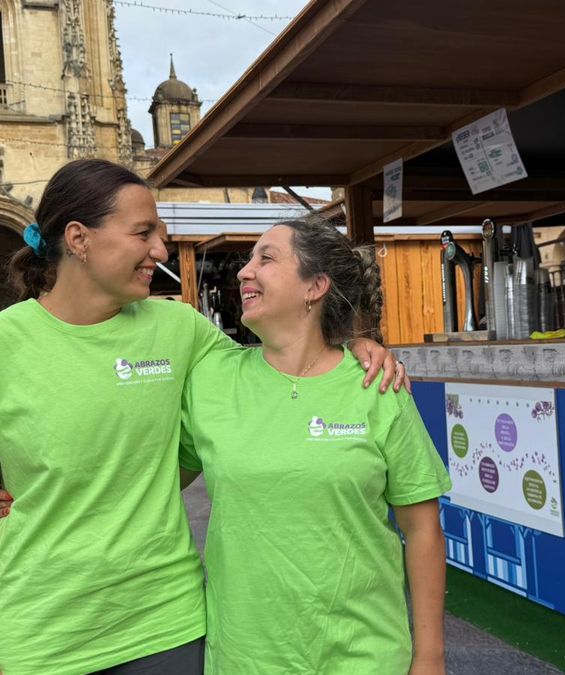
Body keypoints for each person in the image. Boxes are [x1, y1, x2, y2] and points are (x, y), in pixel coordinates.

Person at [0, 159, 402, 675]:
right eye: (144, 233)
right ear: (79, 238)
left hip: (166, 625)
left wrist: (350, 340)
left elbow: (272, 369)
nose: (160, 249)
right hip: (39, 632)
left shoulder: (181, 328)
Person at [178, 220, 451, 674]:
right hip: (247, 659)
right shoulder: (211, 379)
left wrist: (430, 657)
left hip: (365, 656)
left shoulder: (376, 384)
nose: (245, 272)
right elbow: (151, 482)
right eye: (248, 260)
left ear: (316, 285)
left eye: (266, 258)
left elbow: (422, 530)